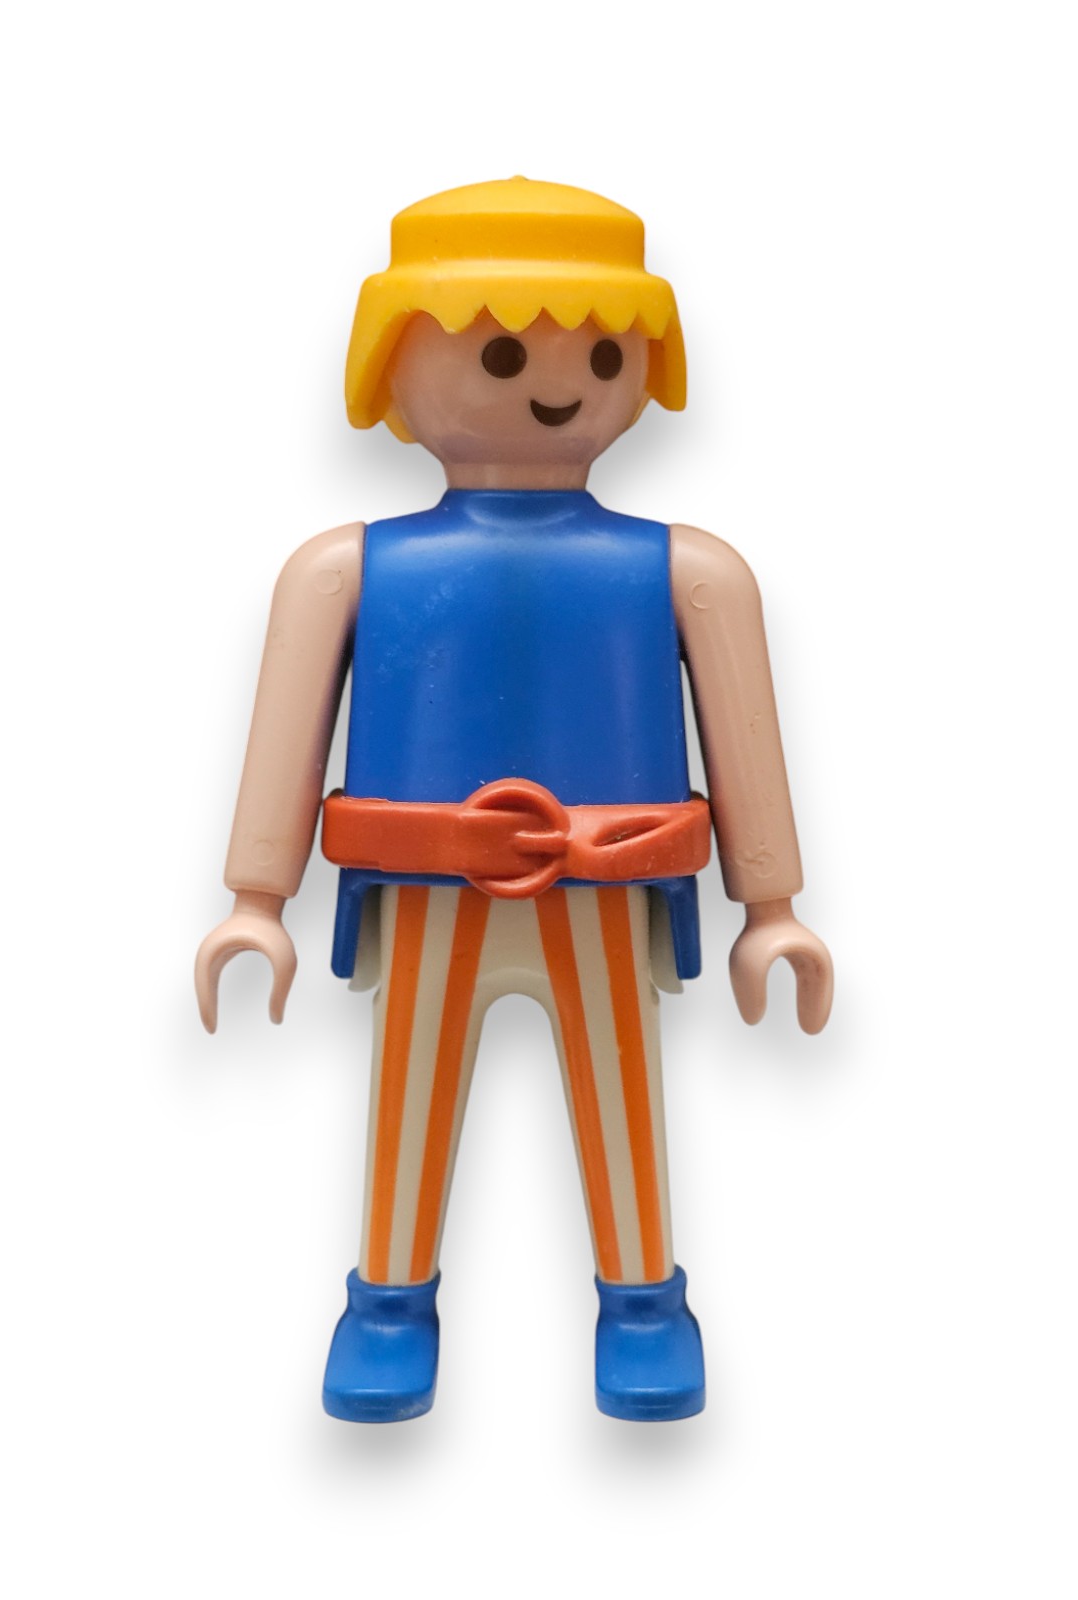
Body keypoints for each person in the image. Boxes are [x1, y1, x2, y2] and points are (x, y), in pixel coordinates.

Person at [195, 177, 833, 1422]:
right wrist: (254, 898)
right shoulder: (344, 569)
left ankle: (642, 1299)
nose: (554, 384)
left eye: (599, 352)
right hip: (425, 887)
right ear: (390, 367)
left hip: (607, 889)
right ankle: (388, 1301)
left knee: (625, 1100)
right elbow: (285, 735)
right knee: (406, 1098)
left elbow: (745, 740)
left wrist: (773, 909)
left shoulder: (692, 571)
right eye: (497, 351)